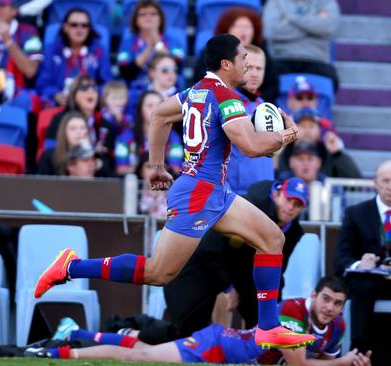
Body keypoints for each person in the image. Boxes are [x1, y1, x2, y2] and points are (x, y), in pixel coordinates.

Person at [35, 34, 313, 349]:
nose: (249, 67)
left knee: (273, 239)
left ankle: (268, 326)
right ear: (226, 65)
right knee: (158, 272)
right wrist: (289, 133)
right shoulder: (226, 97)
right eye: (243, 61)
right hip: (199, 194)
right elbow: (250, 147)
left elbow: (159, 116)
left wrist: (156, 166)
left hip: (214, 191)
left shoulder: (195, 92)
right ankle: (70, 266)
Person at [29, 277, 373, 366]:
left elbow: (320, 356)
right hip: (219, 349)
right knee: (143, 357)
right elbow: (300, 363)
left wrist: (344, 359)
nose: (330, 308)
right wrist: (343, 361)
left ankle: (75, 332)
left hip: (234, 352)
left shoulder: (337, 326)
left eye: (337, 304)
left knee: (147, 349)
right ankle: (56, 353)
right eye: (326, 299)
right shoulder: (293, 314)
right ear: (315, 295)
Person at [160, 177, 309, 338]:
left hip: (242, 271)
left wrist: (274, 306)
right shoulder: (250, 205)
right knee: (184, 330)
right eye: (289, 200)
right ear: (277, 194)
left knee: (262, 322)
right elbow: (208, 246)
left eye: (297, 204)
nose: (291, 207)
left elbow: (277, 269)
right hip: (196, 262)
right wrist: (228, 287)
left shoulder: (292, 231)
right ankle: (136, 333)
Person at [334, 160, 391, 361]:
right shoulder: (355, 213)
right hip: (368, 281)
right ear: (375, 183)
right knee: (362, 285)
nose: (390, 186)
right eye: (385, 180)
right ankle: (359, 352)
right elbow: (341, 259)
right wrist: (361, 264)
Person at [194, 6, 279, 102]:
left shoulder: (262, 53)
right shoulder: (212, 52)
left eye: (247, 27)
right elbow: (202, 82)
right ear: (227, 30)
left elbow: (272, 87)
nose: (243, 31)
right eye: (237, 26)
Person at [36, 7, 112, 107]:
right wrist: (55, 94)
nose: (79, 29)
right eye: (74, 25)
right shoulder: (51, 50)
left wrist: (92, 94)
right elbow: (43, 83)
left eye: (84, 25)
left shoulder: (98, 51)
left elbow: (107, 82)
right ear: (65, 27)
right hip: (59, 104)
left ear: (89, 29)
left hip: (90, 105)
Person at [227, 44, 275, 196]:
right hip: (237, 194)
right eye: (249, 67)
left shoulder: (265, 106)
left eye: (259, 69)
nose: (254, 74)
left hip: (265, 194)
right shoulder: (226, 103)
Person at [263, 0, 341, 91]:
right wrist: (313, 26)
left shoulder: (326, 2)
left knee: (331, 79)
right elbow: (270, 31)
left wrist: (290, 18)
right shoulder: (276, 2)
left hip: (317, 59)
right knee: (266, 79)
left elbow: (328, 28)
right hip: (282, 57)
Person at [117, 0, 184, 90]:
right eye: (143, 14)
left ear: (161, 18)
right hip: (136, 92)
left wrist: (158, 44)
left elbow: (178, 67)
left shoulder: (174, 42)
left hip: (168, 93)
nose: (148, 17)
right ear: (135, 20)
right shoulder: (127, 43)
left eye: (153, 14)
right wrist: (150, 48)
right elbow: (125, 72)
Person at [277, 108, 361, 179]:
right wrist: (277, 154)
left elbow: (355, 182)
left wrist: (338, 154)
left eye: (311, 126)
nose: (307, 130)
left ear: (319, 130)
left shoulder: (328, 152)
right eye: (302, 126)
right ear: (292, 128)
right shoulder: (283, 151)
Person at [115, 91, 182, 180]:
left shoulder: (173, 137)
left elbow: (176, 169)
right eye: (150, 105)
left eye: (159, 105)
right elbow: (121, 169)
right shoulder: (126, 137)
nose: (155, 110)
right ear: (140, 110)